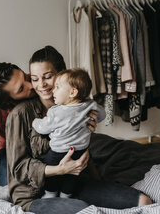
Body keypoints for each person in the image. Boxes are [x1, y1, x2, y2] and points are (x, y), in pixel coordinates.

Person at [0, 47, 99, 206]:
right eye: (22, 88)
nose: (32, 85)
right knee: (12, 185)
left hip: (57, 142)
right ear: (9, 101)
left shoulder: (42, 85)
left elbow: (73, 102)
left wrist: (87, 121)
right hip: (13, 148)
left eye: (25, 77)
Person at [6, 47, 152, 213]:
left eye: (48, 77)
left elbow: (82, 143)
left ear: (62, 74)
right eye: (35, 79)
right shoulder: (21, 114)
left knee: (143, 201)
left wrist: (88, 131)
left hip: (73, 182)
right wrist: (60, 169)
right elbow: (17, 169)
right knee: (85, 211)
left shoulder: (79, 105)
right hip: (35, 192)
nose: (42, 85)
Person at [32, 68, 106, 199]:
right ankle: (66, 195)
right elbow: (102, 115)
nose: (53, 91)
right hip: (80, 150)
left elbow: (44, 128)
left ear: (72, 92)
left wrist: (36, 122)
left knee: (52, 173)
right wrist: (94, 118)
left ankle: (50, 193)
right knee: (73, 175)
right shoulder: (90, 105)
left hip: (58, 151)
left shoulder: (57, 112)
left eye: (57, 87)